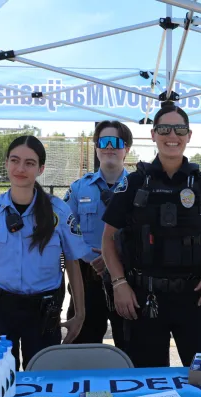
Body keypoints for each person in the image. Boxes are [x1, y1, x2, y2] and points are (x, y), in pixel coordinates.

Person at [101, 103, 201, 368]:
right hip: (144, 298)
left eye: (179, 129)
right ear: (153, 134)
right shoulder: (135, 183)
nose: (172, 135)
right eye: (164, 129)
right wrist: (119, 283)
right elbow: (108, 238)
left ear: (189, 135)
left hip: (196, 297)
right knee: (147, 383)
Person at [0, 135, 89, 370]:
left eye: (29, 163)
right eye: (15, 160)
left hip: (42, 313)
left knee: (43, 380)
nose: (20, 168)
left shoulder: (59, 211)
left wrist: (79, 314)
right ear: (6, 163)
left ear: (40, 169)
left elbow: (73, 264)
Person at [63, 121, 131, 348]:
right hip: (87, 279)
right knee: (82, 349)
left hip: (128, 280)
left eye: (116, 142)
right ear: (96, 147)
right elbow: (65, 232)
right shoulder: (78, 188)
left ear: (126, 149)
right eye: (104, 142)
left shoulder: (139, 187)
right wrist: (88, 255)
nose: (109, 147)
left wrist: (114, 257)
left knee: (132, 349)